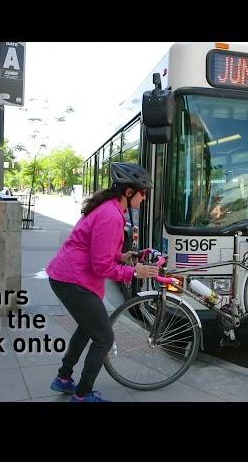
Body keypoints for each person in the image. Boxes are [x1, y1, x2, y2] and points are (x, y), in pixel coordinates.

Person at [46, 162, 159, 402]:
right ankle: (82, 395)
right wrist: (134, 273)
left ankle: (63, 378)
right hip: (73, 280)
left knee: (89, 328)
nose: (145, 197)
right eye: (143, 191)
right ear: (129, 193)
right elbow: (102, 266)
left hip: (69, 276)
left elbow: (99, 251)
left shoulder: (110, 209)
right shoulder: (111, 216)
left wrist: (124, 256)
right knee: (104, 337)